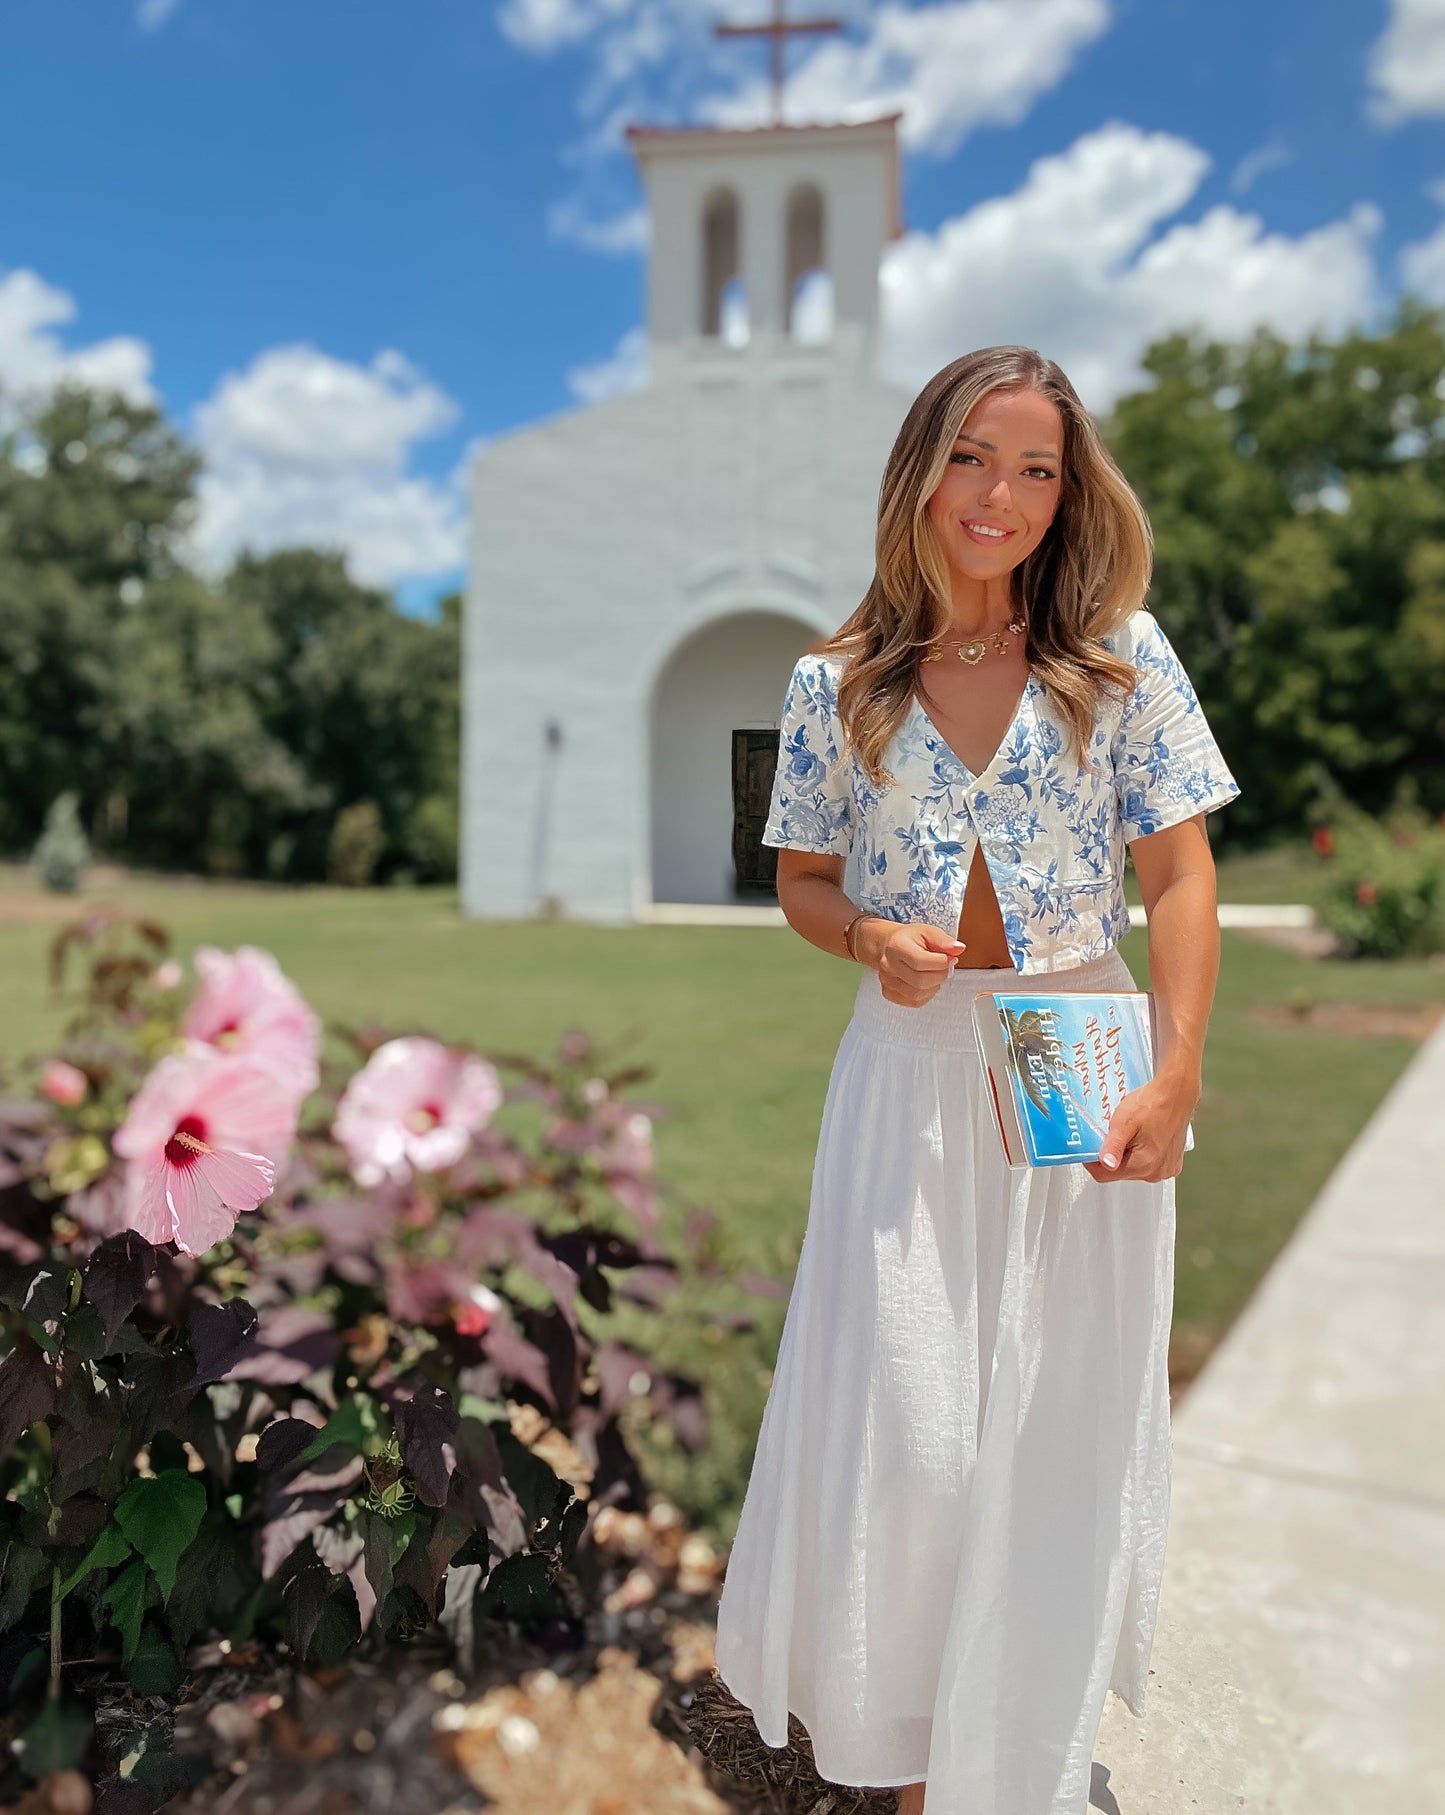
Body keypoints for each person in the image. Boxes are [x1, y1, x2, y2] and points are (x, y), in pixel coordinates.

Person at [711, 344, 1241, 1815]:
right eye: (970, 456)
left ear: (1068, 493)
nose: (999, 494)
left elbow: (1182, 875)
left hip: (1087, 1060)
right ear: (918, 469)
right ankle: (903, 1735)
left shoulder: (1123, 656)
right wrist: (866, 933)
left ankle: (1006, 1760)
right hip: (906, 1082)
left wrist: (1179, 1071)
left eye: (1035, 467)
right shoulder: (836, 681)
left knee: (1056, 1436)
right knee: (920, 1444)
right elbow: (800, 885)